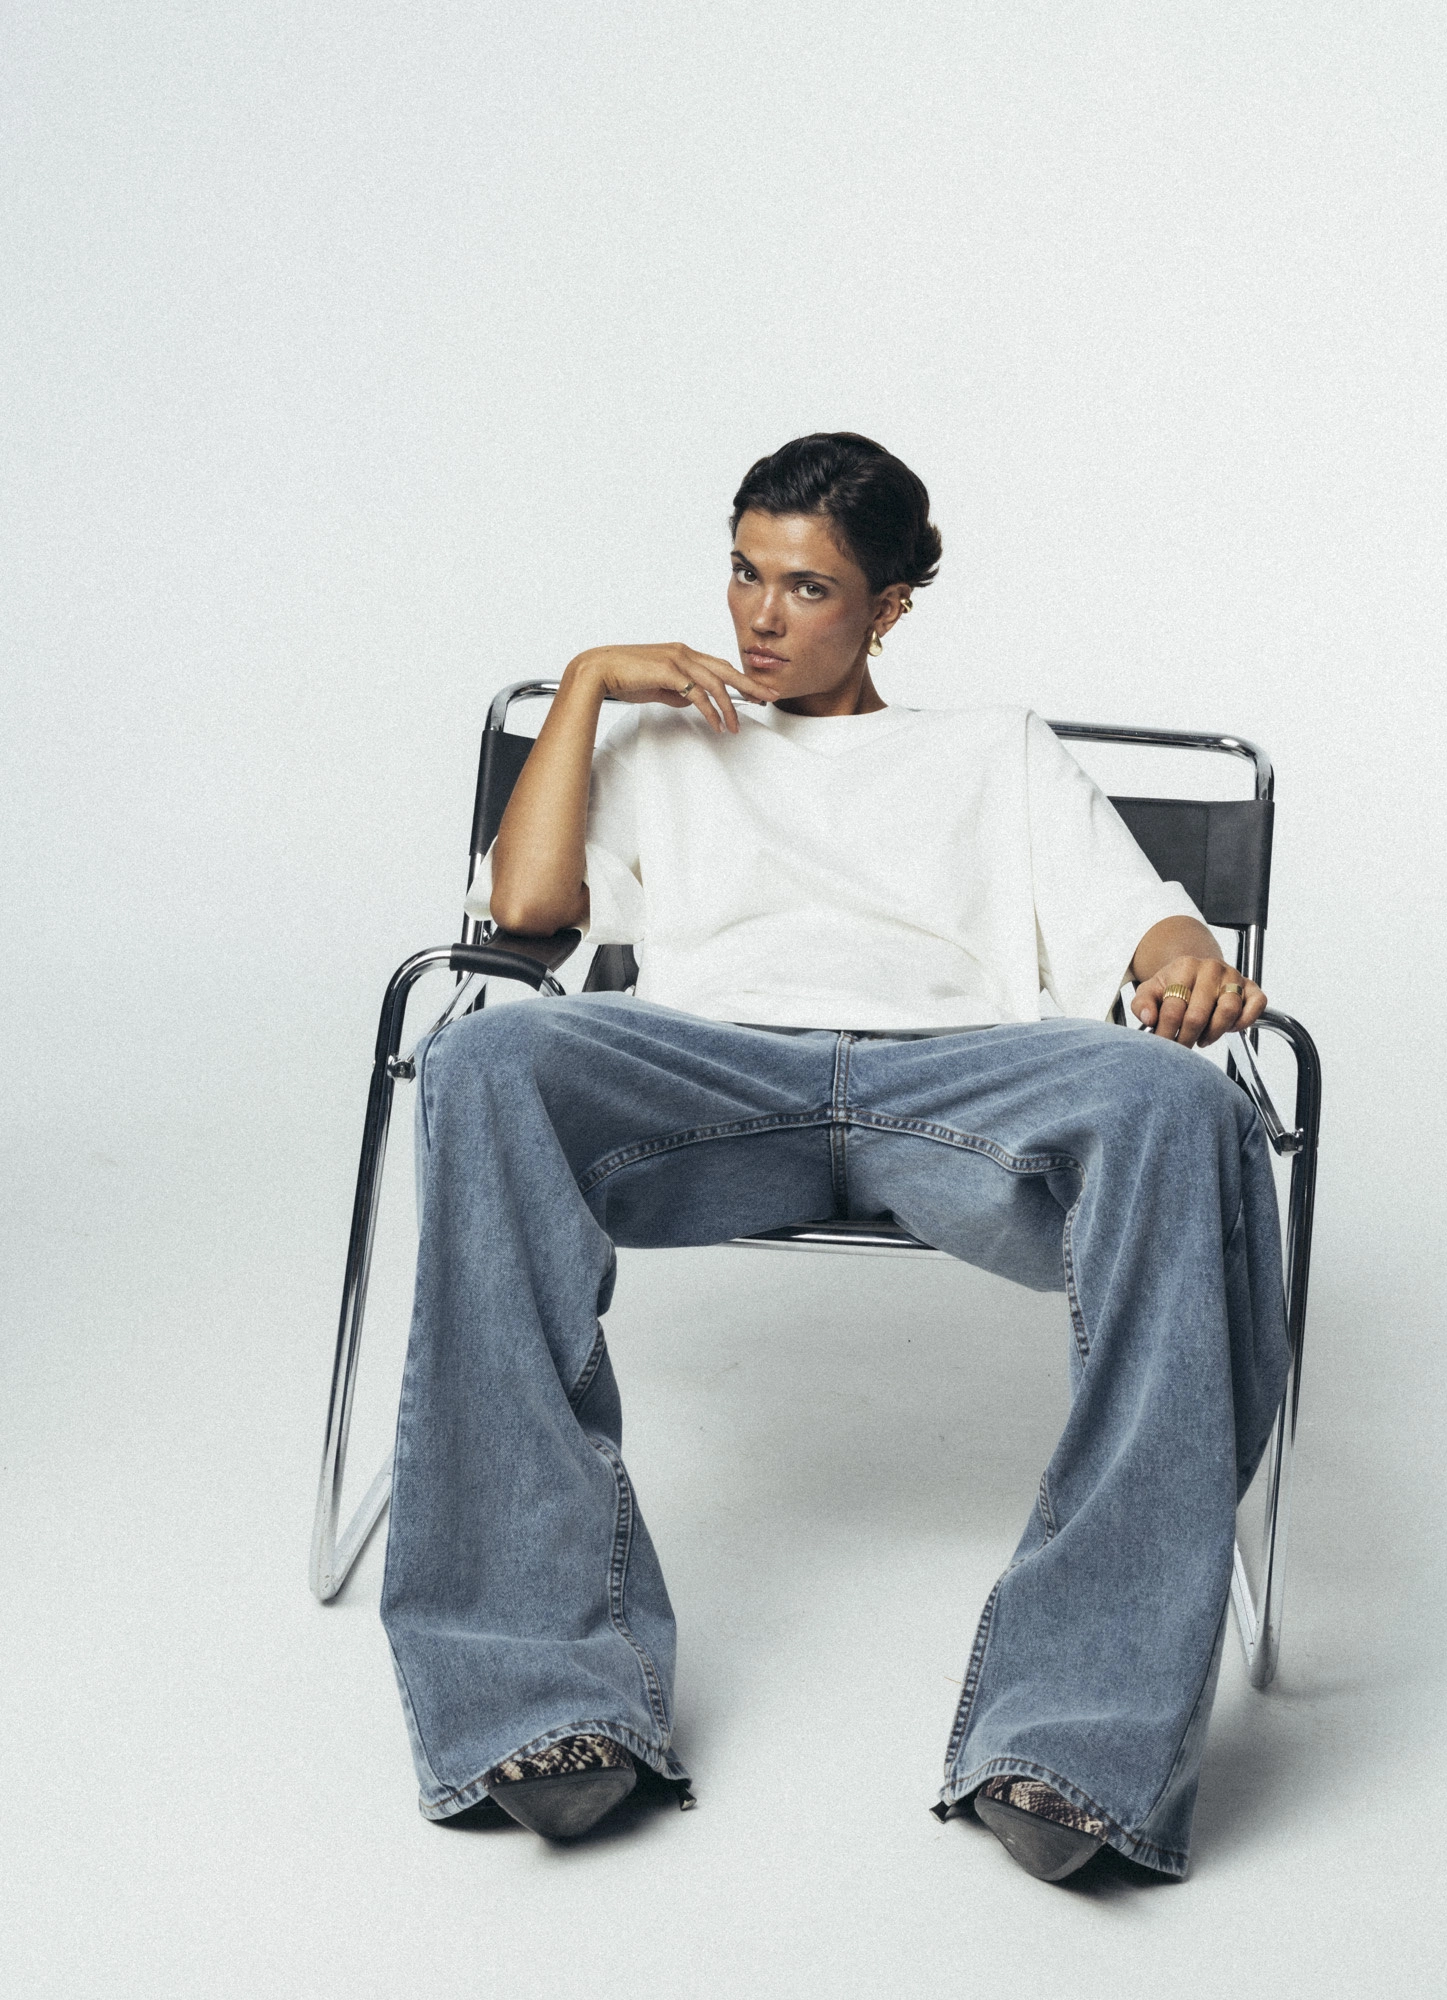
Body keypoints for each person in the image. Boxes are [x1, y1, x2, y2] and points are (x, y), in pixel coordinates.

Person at [379, 433, 1289, 1884]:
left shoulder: (994, 750)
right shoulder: (664, 739)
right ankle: (542, 1695)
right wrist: (591, 682)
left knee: (1182, 1105)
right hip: (710, 1074)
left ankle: (1082, 1735)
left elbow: (1147, 923)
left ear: (889, 607)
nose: (760, 617)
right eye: (745, 574)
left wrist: (1188, 967)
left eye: (807, 588)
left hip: (957, 1087)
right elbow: (530, 910)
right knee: (489, 1057)